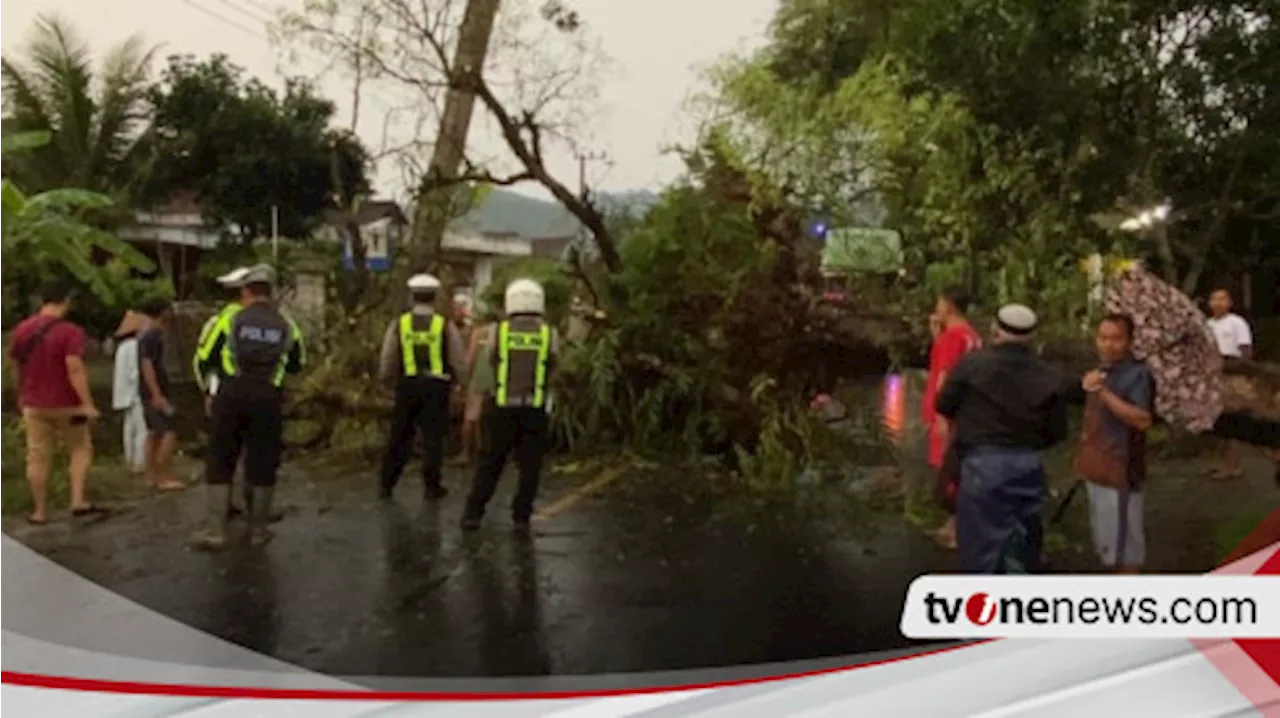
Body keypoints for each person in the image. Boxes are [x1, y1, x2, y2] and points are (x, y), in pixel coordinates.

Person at [935, 304, 1069, 574]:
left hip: (982, 465)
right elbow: (1057, 431)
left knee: (981, 548)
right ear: (1032, 337)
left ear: (995, 331)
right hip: (1028, 466)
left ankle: (985, 609)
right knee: (1024, 542)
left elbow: (944, 404)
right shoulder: (1049, 375)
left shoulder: (972, 364)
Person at [192, 264, 304, 549]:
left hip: (231, 395)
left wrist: (209, 390)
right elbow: (297, 364)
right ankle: (258, 532)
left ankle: (215, 532)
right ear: (272, 293)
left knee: (221, 458)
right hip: (268, 397)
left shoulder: (229, 320)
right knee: (263, 461)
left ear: (245, 291)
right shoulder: (287, 325)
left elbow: (204, 358)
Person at [462, 278, 560, 532]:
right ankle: (521, 516)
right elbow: (554, 364)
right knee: (530, 468)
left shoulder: (499, 331)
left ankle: (473, 514)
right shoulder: (549, 333)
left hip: (501, 408)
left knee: (490, 463)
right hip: (534, 410)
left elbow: (491, 359)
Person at [6, 280, 102, 524]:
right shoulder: (70, 331)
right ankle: (77, 500)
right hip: (68, 404)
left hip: (34, 404)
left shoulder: (22, 330)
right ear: (66, 301)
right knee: (80, 448)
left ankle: (39, 512)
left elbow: (16, 365)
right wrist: (87, 403)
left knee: (37, 456)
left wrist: (21, 394)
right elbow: (74, 367)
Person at [1073, 314, 1155, 574]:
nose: (1109, 345)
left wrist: (1104, 394)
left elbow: (1142, 420)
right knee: (1107, 541)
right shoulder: (1101, 371)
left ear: (1129, 341)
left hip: (1123, 468)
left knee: (1127, 545)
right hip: (1098, 466)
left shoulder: (1138, 375)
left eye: (1117, 339)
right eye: (1103, 338)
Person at [378, 273, 468, 500]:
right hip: (437, 388)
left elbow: (389, 355)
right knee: (434, 439)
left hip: (408, 386)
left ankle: (386, 484)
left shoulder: (400, 323)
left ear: (412, 297)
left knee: (400, 436)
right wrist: (462, 383)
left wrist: (386, 379)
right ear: (434, 297)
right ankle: (432, 486)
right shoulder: (444, 325)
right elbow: (458, 358)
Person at [921, 286, 982, 550]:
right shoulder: (971, 336)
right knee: (958, 467)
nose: (936, 308)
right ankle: (954, 525)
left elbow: (945, 378)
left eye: (939, 303)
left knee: (949, 470)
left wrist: (941, 416)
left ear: (948, 306)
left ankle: (959, 529)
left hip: (948, 414)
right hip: (967, 412)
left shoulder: (952, 338)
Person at [192, 267, 255, 517]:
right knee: (251, 452)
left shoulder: (216, 322)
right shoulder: (258, 321)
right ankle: (252, 506)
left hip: (225, 395)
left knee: (224, 453)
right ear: (244, 293)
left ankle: (224, 508)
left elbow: (200, 361)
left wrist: (207, 391)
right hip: (255, 395)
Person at [137, 298, 184, 492]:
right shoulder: (152, 336)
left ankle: (151, 475)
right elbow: (147, 365)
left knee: (154, 432)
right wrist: (157, 394)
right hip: (155, 390)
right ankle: (164, 476)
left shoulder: (146, 335)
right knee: (168, 431)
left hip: (148, 390)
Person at [1207, 288, 1254, 481]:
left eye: (1222, 299)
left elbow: (1245, 351)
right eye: (1214, 299)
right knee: (1218, 421)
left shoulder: (1237, 323)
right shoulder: (1207, 324)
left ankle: (1233, 466)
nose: (1218, 303)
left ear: (1229, 303)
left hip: (1233, 375)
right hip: (1213, 376)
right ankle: (1220, 463)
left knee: (1234, 420)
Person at [452, 304, 499, 466]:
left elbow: (470, 358)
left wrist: (463, 381)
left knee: (471, 417)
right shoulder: (503, 332)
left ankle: (465, 453)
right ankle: (490, 451)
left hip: (479, 377)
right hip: (498, 378)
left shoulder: (478, 333)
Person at [110, 309, 148, 476]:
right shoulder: (135, 346)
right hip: (135, 394)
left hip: (125, 394)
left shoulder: (123, 347)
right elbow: (135, 372)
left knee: (129, 428)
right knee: (142, 429)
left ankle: (130, 459)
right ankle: (140, 462)